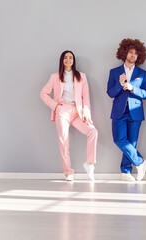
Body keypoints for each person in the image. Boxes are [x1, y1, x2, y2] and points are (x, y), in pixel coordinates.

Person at [40, 50, 98, 181]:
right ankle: (68, 172)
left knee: (93, 132)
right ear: (62, 60)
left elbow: (86, 98)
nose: (68, 60)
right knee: (64, 142)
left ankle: (90, 163)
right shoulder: (55, 76)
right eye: (65, 57)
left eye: (70, 57)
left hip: (78, 112)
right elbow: (43, 93)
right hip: (62, 110)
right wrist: (55, 107)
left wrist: (86, 114)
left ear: (74, 60)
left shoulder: (81, 76)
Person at [107, 38, 146, 181]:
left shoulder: (143, 74)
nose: (133, 55)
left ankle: (126, 172)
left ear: (139, 56)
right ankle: (141, 162)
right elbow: (110, 93)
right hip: (119, 111)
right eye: (131, 52)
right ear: (125, 52)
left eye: (136, 53)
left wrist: (133, 88)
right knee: (119, 139)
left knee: (131, 143)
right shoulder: (114, 72)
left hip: (135, 112)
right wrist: (120, 84)